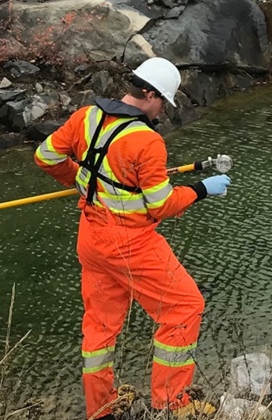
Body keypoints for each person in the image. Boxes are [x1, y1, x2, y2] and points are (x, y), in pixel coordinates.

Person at [34, 57, 230, 419]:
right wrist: (201, 190)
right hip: (131, 243)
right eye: (162, 104)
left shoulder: (86, 117)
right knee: (184, 308)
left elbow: (45, 156)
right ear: (150, 94)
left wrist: (81, 180)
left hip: (91, 239)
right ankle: (172, 403)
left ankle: (102, 408)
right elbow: (162, 205)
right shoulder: (146, 140)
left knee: (100, 328)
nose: (161, 113)